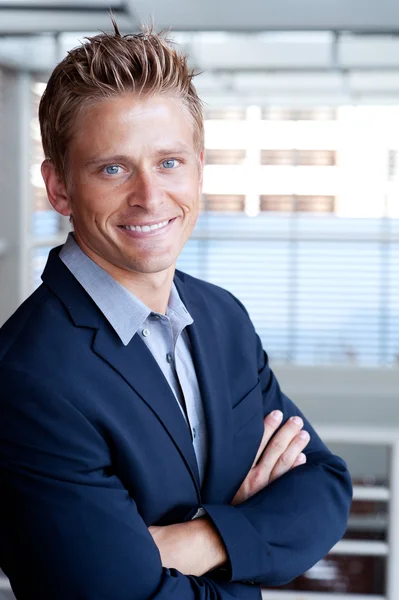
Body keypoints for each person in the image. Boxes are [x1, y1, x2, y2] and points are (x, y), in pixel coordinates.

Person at [0, 19, 352, 600]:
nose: (150, 196)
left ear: (199, 166)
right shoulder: (28, 379)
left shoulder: (222, 318)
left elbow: (325, 487)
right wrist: (247, 540)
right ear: (59, 188)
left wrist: (197, 540)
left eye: (169, 162)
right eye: (112, 168)